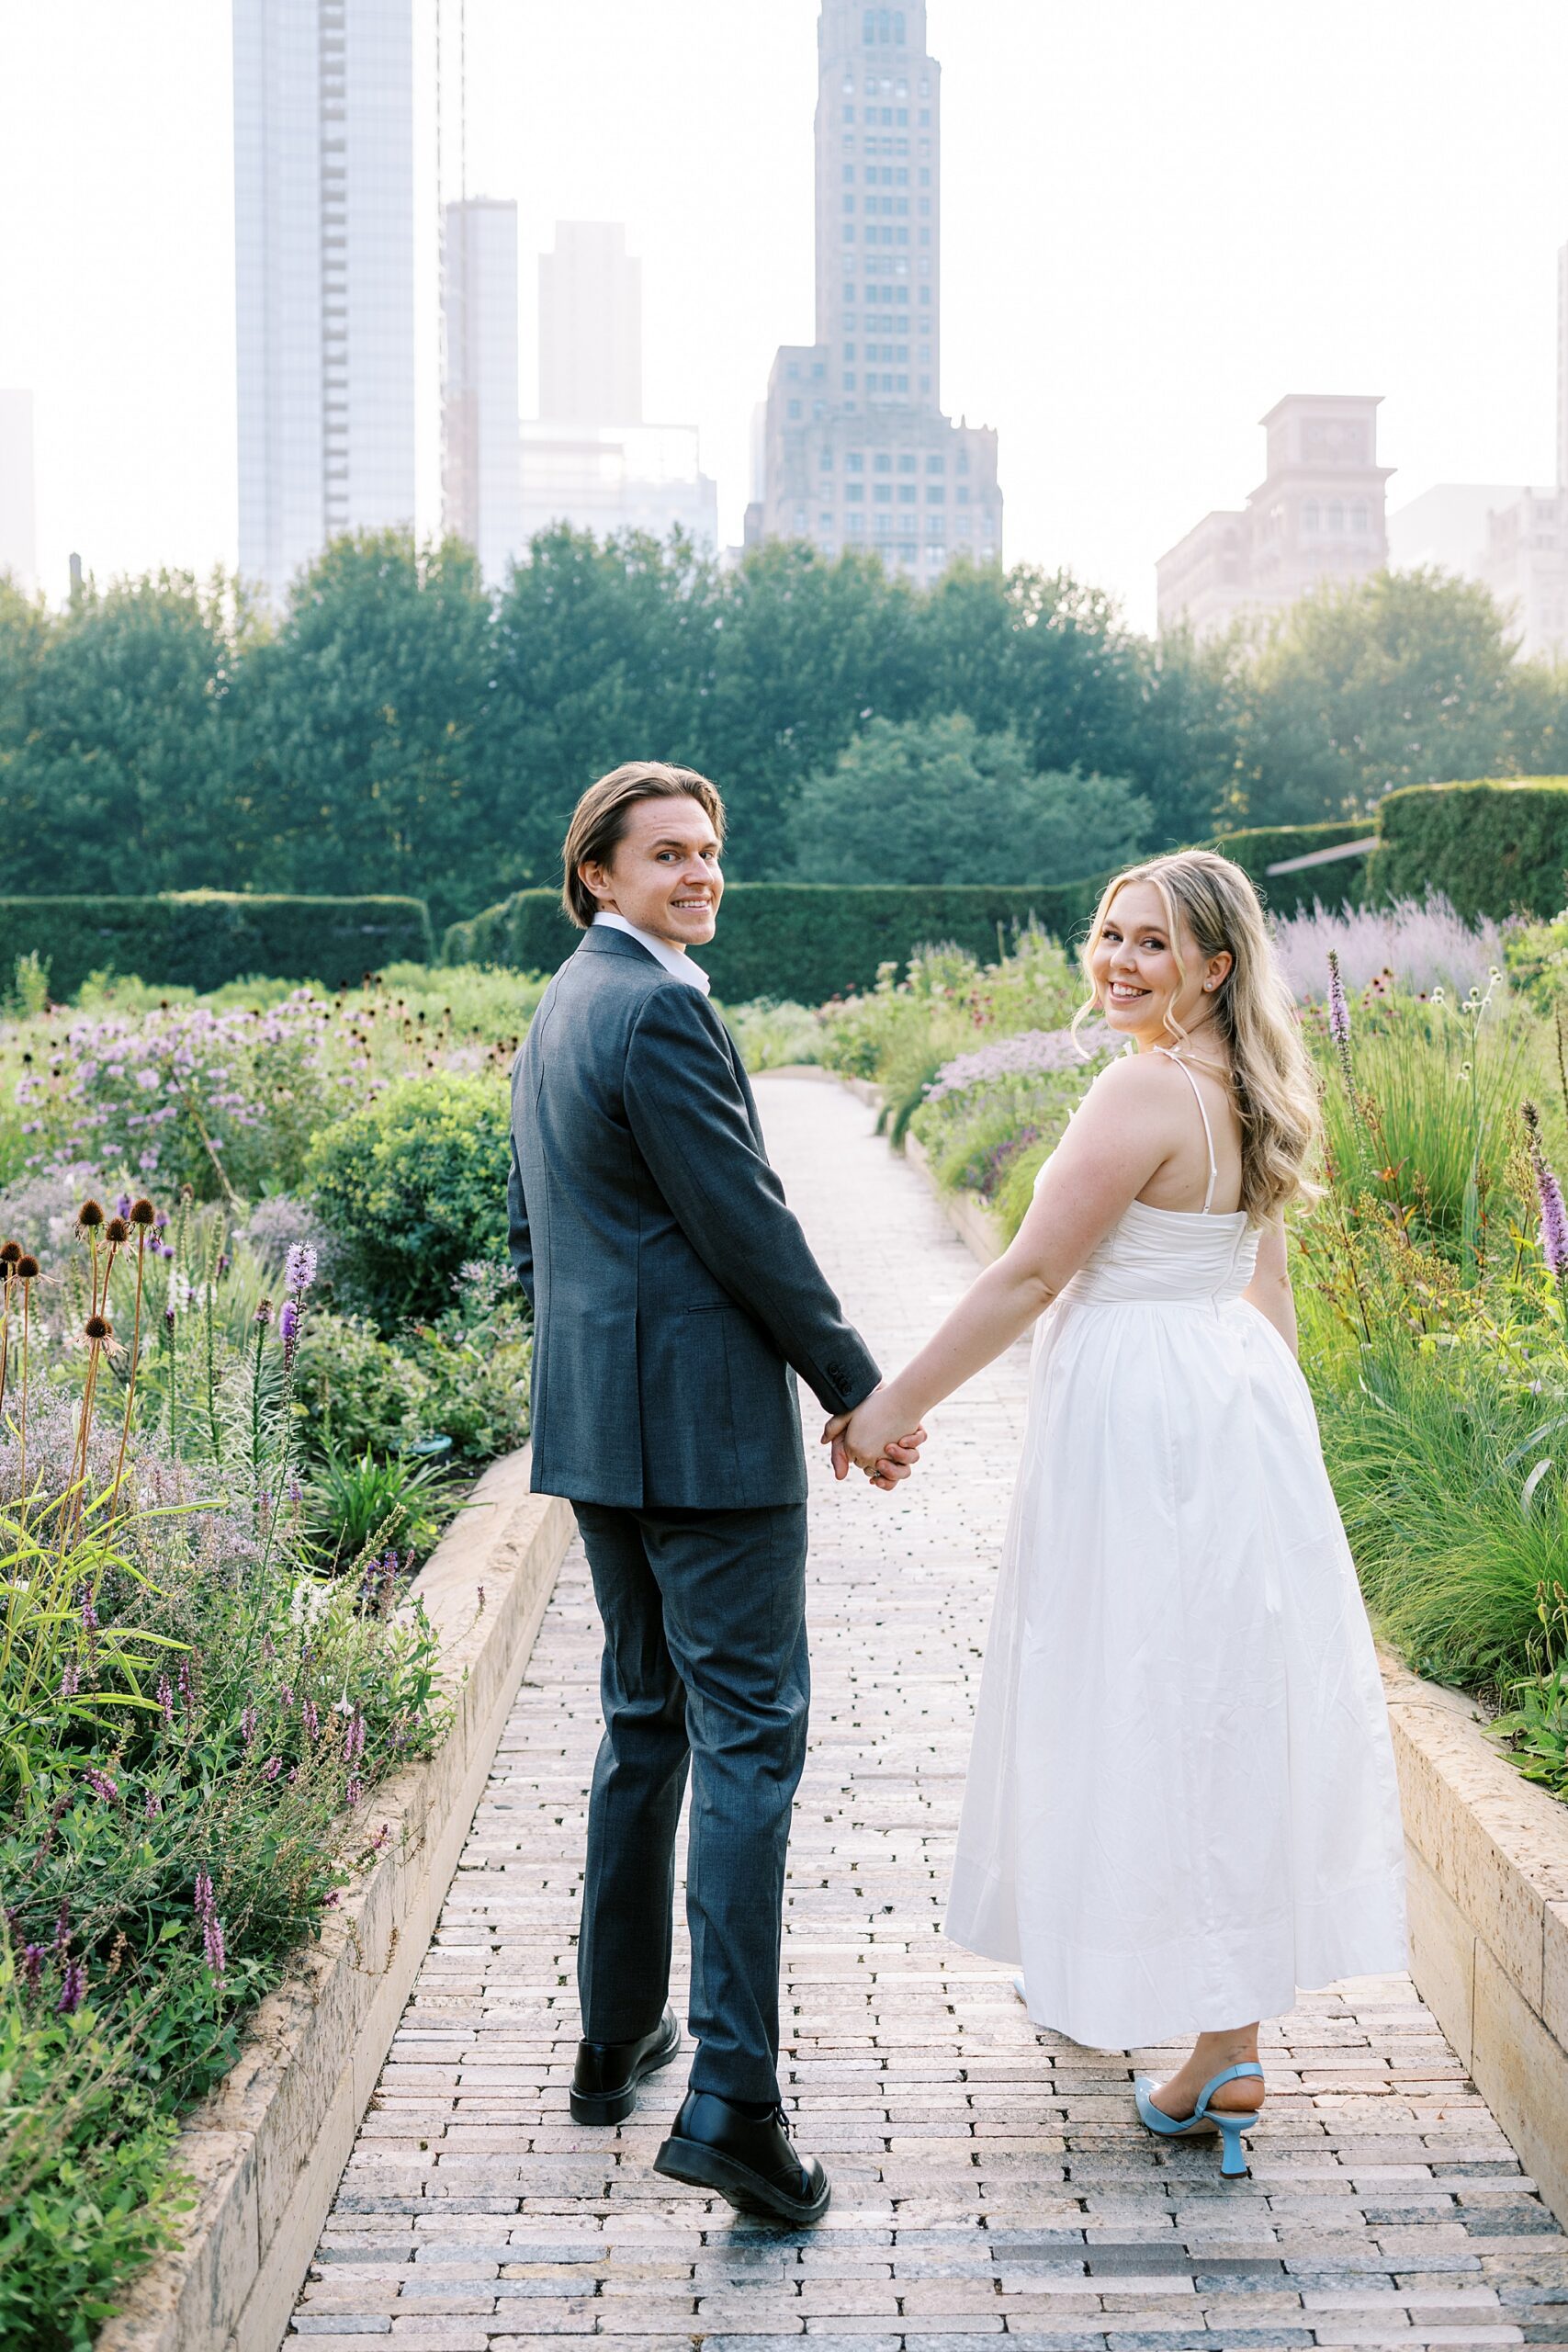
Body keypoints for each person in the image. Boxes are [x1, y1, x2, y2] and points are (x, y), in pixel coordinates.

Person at [829, 849, 1407, 2178]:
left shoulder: (1141, 1084)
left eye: (1153, 944)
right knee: (1218, 1697)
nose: (1118, 961)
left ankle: (1214, 2036)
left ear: (1214, 966)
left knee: (1146, 1689)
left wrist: (886, 1408)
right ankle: (1227, 2031)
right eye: (1108, 934)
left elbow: (1032, 1273)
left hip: (1144, 1413)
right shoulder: (1253, 1087)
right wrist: (1277, 1443)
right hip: (1232, 1397)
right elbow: (1267, 1292)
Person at [508, 759, 923, 2224]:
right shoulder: (663, 1008)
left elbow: (534, 1229)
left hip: (600, 1438)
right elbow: (748, 1224)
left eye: (711, 852)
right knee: (752, 1741)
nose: (700, 873)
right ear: (598, 874)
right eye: (668, 854)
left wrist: (586, 1379)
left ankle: (614, 2037)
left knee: (646, 1722)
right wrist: (859, 1389)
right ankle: (735, 2101)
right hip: (700, 1441)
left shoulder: (563, 1004)